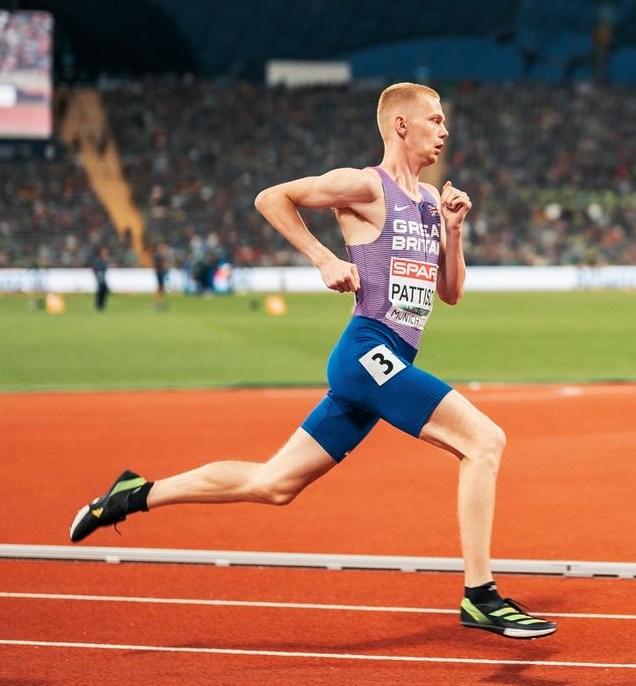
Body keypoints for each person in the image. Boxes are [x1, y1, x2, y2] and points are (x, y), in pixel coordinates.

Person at [66, 83, 554, 639]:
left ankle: (133, 495)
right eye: (435, 120)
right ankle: (480, 595)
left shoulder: (428, 201)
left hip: (382, 361)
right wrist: (323, 257)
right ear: (400, 126)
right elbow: (272, 197)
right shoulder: (364, 185)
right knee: (484, 440)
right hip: (366, 351)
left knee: (275, 483)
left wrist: (454, 230)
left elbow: (451, 293)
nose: (445, 131)